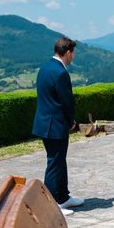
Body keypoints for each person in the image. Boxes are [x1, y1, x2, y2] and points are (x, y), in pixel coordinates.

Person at [32, 37, 83, 216]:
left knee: (58, 161)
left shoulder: (45, 68)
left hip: (45, 123)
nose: (73, 57)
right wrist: (71, 121)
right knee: (55, 163)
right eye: (73, 53)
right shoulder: (61, 72)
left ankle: (63, 197)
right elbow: (66, 102)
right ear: (68, 52)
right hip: (55, 125)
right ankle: (52, 205)